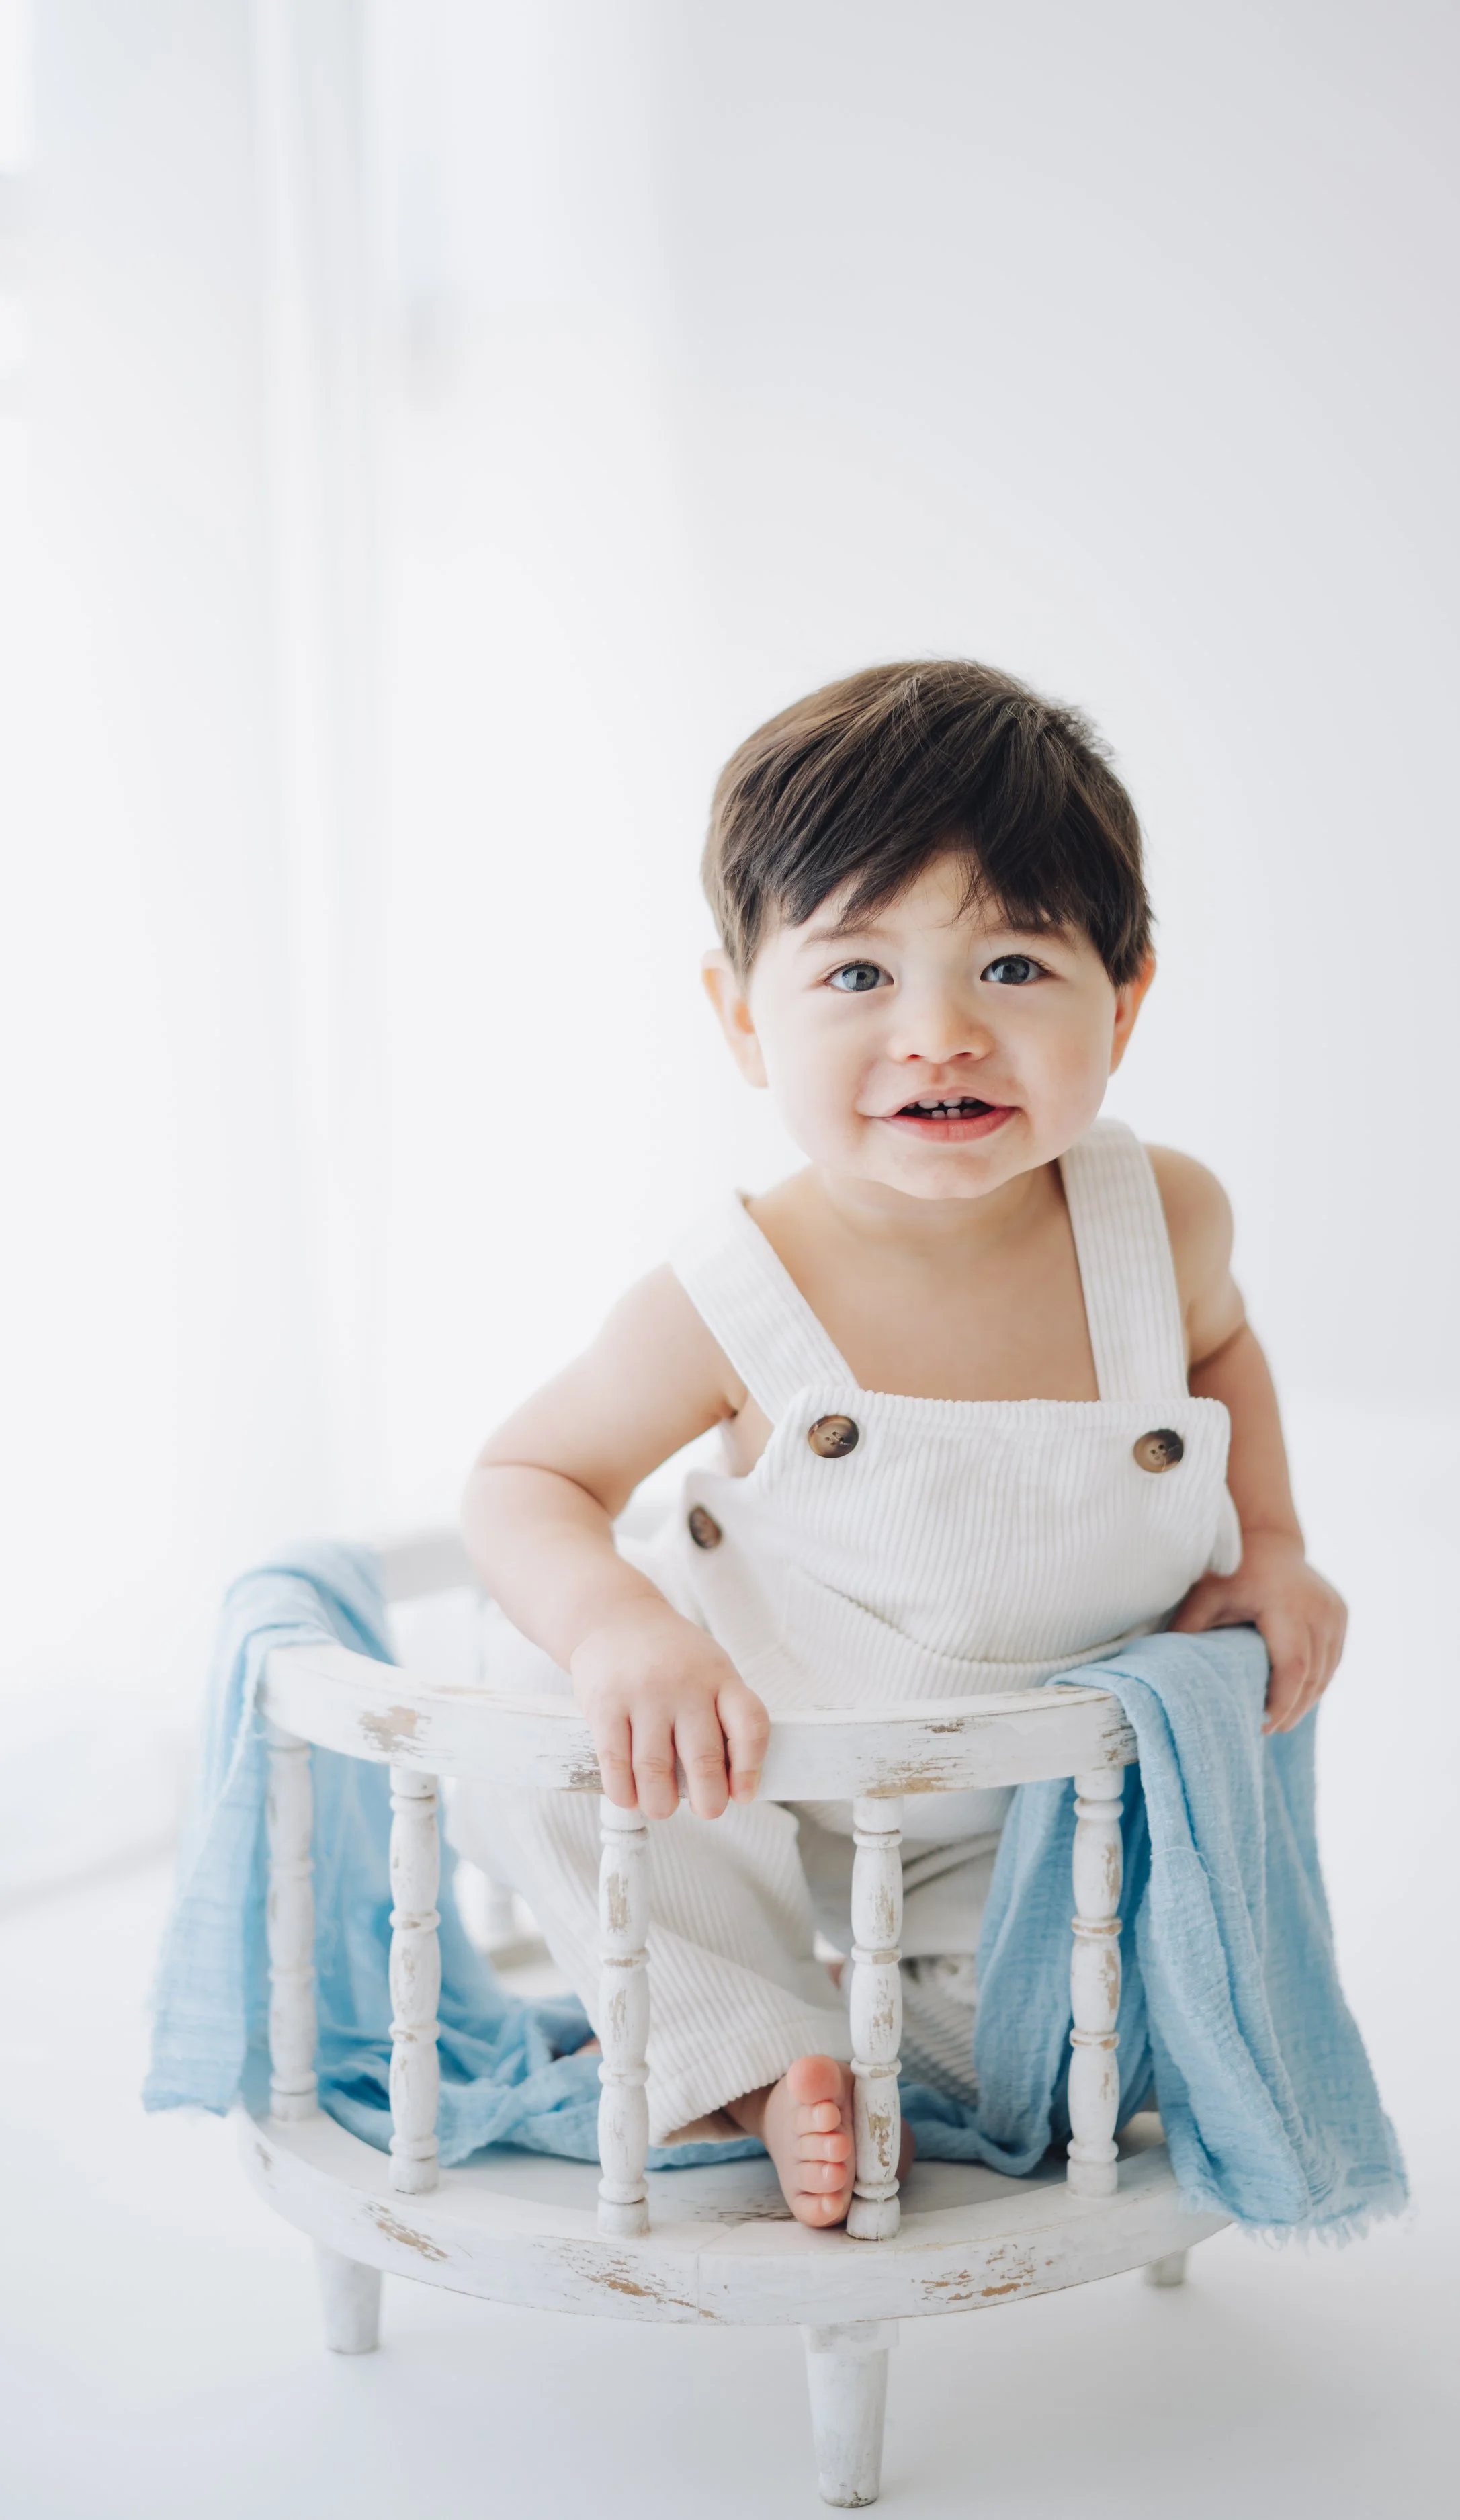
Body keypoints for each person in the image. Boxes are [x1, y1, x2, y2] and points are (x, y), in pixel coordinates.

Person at [451, 659, 1346, 2228]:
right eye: (856, 976)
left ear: (1122, 1001)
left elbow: (1216, 1349)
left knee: (1078, 2038)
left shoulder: (1162, 1221)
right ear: (742, 1017)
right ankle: (747, 2046)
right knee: (535, 1747)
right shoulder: (733, 1290)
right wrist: (619, 1632)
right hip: (733, 1761)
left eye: (1011, 966)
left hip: (1004, 1826)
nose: (939, 1035)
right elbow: (524, 1479)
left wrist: (1266, 1541)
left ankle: (845, 2051)